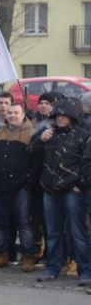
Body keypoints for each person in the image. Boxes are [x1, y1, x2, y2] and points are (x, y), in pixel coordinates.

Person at [32, 98, 91, 283]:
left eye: (63, 115)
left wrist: (80, 184)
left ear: (72, 116)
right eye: (57, 115)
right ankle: (53, 267)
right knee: (53, 232)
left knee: (78, 232)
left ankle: (85, 270)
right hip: (50, 189)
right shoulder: (48, 133)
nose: (59, 118)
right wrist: (40, 141)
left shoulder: (84, 135)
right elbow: (31, 152)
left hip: (73, 190)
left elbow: (87, 163)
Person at [0, 98, 38, 272]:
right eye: (9, 113)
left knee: (24, 223)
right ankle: (1, 255)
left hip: (22, 187)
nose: (12, 116)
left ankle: (28, 256)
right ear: (5, 115)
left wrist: (27, 183)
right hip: (0, 186)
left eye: (16, 113)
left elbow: (35, 162)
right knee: (0, 223)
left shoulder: (32, 134)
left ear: (23, 115)